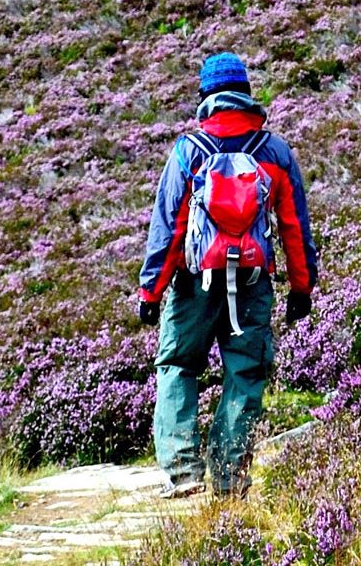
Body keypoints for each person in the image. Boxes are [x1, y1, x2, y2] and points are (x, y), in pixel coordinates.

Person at [136, 52, 318, 498]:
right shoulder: (274, 151)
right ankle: (229, 474)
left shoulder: (188, 151)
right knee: (246, 372)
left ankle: (183, 470)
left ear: (205, 96)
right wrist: (301, 286)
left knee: (178, 365)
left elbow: (169, 227)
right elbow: (294, 224)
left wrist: (150, 290)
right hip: (253, 284)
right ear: (247, 94)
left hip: (193, 281)